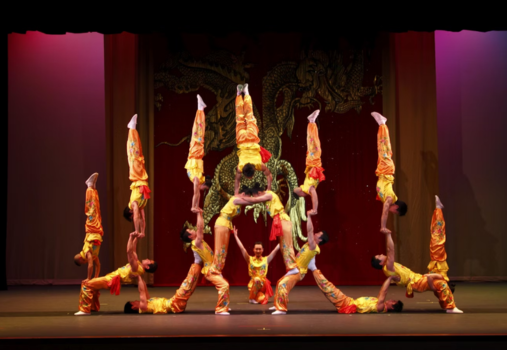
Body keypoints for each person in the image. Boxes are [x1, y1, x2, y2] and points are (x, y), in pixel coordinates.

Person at [371, 195, 463, 314]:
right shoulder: (388, 268)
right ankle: (450, 307)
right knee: (441, 283)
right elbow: (390, 250)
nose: (381, 254)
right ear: (381, 262)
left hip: (422, 278)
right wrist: (388, 235)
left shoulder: (389, 267)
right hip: (418, 282)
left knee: (437, 245)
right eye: (379, 256)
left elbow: (430, 278)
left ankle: (438, 210)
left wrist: (431, 276)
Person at [74, 231, 158, 316]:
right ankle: (93, 307)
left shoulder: (136, 268)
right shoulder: (138, 265)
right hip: (110, 277)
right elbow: (134, 249)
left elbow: (129, 251)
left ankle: (84, 310)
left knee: (87, 284)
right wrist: (137, 237)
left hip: (110, 280)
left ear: (147, 267)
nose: (147, 258)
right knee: (94, 286)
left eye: (149, 261)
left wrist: (131, 237)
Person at [270, 211, 328, 315]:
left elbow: (310, 231)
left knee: (283, 284)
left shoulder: (313, 246)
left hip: (299, 272)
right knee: (280, 282)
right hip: (295, 269)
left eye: (318, 234)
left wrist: (309, 216)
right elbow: (310, 259)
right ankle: (277, 303)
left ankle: (281, 309)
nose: (315, 233)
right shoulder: (309, 245)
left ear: (320, 239)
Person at [238, 183, 298, 273]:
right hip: (279, 221)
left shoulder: (268, 195)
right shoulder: (268, 192)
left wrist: (241, 198)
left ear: (258, 192)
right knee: (283, 246)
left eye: (255, 195)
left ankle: (293, 267)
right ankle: (290, 266)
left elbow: (255, 200)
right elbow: (269, 176)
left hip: (282, 219)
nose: (256, 198)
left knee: (287, 245)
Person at [180, 209, 231, 315]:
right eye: (190, 230)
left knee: (223, 285)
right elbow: (200, 228)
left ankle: (224, 305)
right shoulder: (196, 242)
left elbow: (199, 229)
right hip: (210, 270)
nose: (193, 230)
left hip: (214, 268)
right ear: (190, 236)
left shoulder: (198, 243)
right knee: (224, 285)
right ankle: (221, 309)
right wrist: (199, 214)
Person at [371, 111, 407, 234]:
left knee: (381, 147)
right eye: (395, 212)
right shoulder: (390, 198)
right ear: (396, 208)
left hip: (382, 170)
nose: (392, 212)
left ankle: (382, 124)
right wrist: (383, 226)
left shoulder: (388, 199)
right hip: (386, 170)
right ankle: (382, 123)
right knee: (384, 147)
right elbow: (385, 210)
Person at [124, 261, 201, 314]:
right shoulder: (143, 307)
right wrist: (138, 277)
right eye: (134, 302)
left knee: (189, 285)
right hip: (174, 304)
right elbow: (141, 291)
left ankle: (197, 264)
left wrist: (140, 275)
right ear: (134, 307)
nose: (137, 300)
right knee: (187, 284)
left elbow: (144, 289)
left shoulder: (148, 303)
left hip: (176, 304)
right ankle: (197, 263)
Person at [313, 268, 403, 314]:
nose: (391, 299)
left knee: (328, 287)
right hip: (348, 301)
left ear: (392, 307)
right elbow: (381, 292)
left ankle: (314, 268)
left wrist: (390, 277)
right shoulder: (378, 303)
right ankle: (314, 269)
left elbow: (384, 291)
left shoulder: (380, 307)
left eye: (393, 301)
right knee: (328, 288)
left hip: (346, 304)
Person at [234, 83, 272, 187]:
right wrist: (236, 193)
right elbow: (237, 180)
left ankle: (246, 93)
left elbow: (269, 176)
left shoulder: (259, 165)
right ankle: (238, 94)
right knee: (240, 118)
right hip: (242, 139)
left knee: (249, 115)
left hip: (251, 137)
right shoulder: (240, 167)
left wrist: (269, 189)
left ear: (254, 170)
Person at [233, 226, 280, 304]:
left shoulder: (266, 259)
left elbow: (275, 250)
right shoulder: (249, 259)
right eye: (256, 249)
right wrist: (235, 236)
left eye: (259, 249)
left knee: (257, 279)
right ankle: (256, 296)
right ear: (253, 249)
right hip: (253, 284)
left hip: (263, 284)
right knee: (262, 298)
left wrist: (282, 240)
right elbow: (242, 248)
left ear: (262, 250)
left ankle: (252, 298)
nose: (258, 251)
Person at [123, 114, 151, 238]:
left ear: (130, 212)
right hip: (142, 178)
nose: (136, 215)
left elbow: (137, 217)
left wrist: (136, 231)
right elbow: (142, 219)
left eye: (133, 215)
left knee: (133, 156)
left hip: (136, 177)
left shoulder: (133, 203)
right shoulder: (141, 206)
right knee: (139, 155)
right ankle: (133, 128)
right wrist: (142, 232)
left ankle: (132, 129)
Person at [293, 110, 325, 215]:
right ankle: (311, 122)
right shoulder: (307, 189)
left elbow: (295, 190)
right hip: (313, 163)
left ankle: (311, 121)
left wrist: (315, 209)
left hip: (313, 163)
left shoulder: (307, 189)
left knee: (313, 143)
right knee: (313, 142)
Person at [185, 94, 212, 213]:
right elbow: (197, 195)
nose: (201, 190)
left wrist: (193, 207)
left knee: (197, 131)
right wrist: (196, 206)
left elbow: (196, 194)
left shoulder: (196, 179)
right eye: (204, 188)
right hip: (197, 154)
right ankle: (200, 109)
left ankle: (199, 108)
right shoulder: (198, 179)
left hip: (194, 154)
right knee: (200, 132)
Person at [74, 172, 102, 282]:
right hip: (98, 231)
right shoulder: (94, 255)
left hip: (92, 229)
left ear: (81, 259)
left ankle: (89, 186)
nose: (86, 262)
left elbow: (90, 265)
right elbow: (97, 265)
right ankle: (94, 189)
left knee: (91, 208)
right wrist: (96, 278)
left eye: (84, 262)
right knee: (97, 209)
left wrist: (88, 278)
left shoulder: (86, 252)